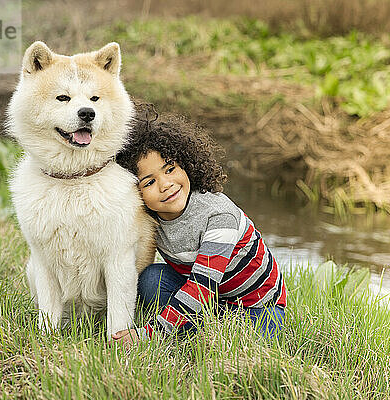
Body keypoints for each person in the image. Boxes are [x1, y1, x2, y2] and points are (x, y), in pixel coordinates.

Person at [113, 114, 287, 346]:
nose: (165, 184)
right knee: (151, 279)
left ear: (186, 163)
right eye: (149, 182)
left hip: (255, 305)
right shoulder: (150, 218)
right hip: (210, 299)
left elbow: (202, 286)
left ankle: (192, 331)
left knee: (244, 346)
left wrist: (149, 334)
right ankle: (195, 327)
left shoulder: (218, 215)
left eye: (170, 169)